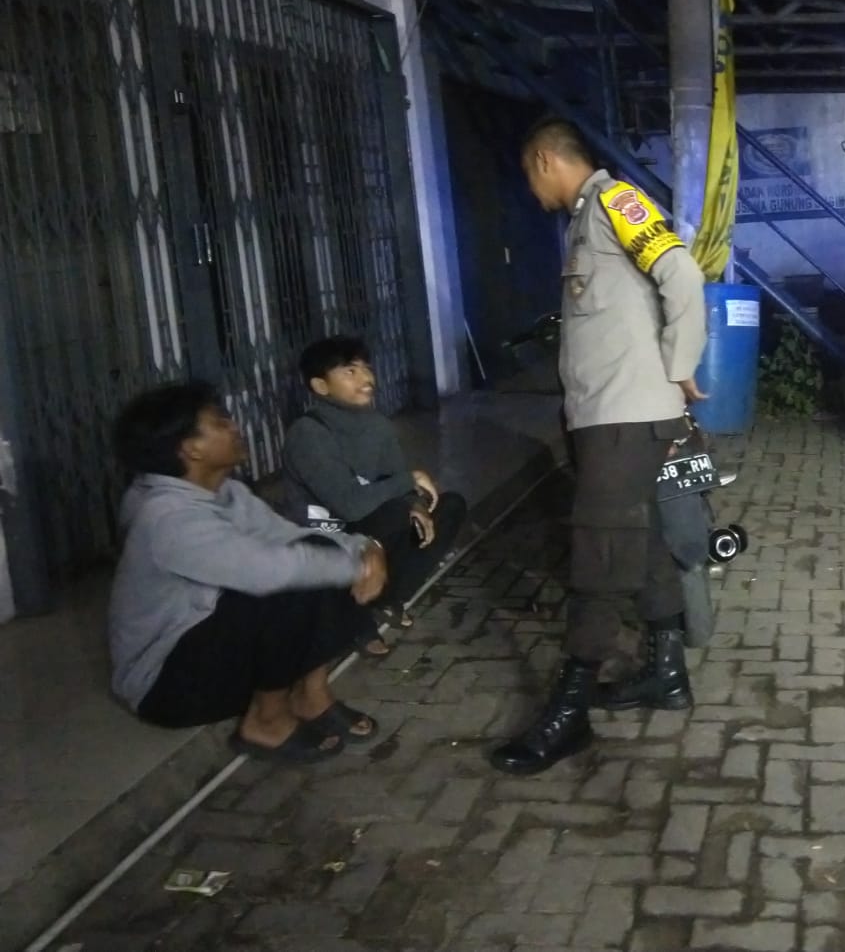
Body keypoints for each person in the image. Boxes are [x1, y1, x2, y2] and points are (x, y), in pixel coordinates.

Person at [490, 117, 708, 776]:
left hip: (625, 416)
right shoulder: (586, 220)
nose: (531, 191)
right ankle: (665, 672)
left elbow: (682, 274)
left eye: (529, 175)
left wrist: (679, 364)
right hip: (607, 416)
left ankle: (570, 709)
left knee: (598, 554)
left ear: (544, 159)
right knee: (641, 541)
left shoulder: (616, 202)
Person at [107, 382, 388, 763]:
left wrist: (364, 547)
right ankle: (265, 723)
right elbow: (268, 571)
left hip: (209, 653)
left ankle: (312, 697)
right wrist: (358, 567)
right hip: (167, 689)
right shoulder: (166, 518)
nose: (235, 427)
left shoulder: (228, 493)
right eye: (220, 422)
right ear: (191, 448)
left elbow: (290, 536)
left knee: (316, 558)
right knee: (284, 585)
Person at [281, 336, 467, 652]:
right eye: (350, 372)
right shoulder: (308, 433)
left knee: (449, 507)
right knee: (392, 514)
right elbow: (350, 505)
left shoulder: (377, 425)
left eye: (366, 368)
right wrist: (408, 483)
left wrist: (417, 504)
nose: (366, 378)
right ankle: (352, 616)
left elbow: (397, 480)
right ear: (321, 386)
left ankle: (385, 599)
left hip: (367, 523)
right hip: (324, 536)